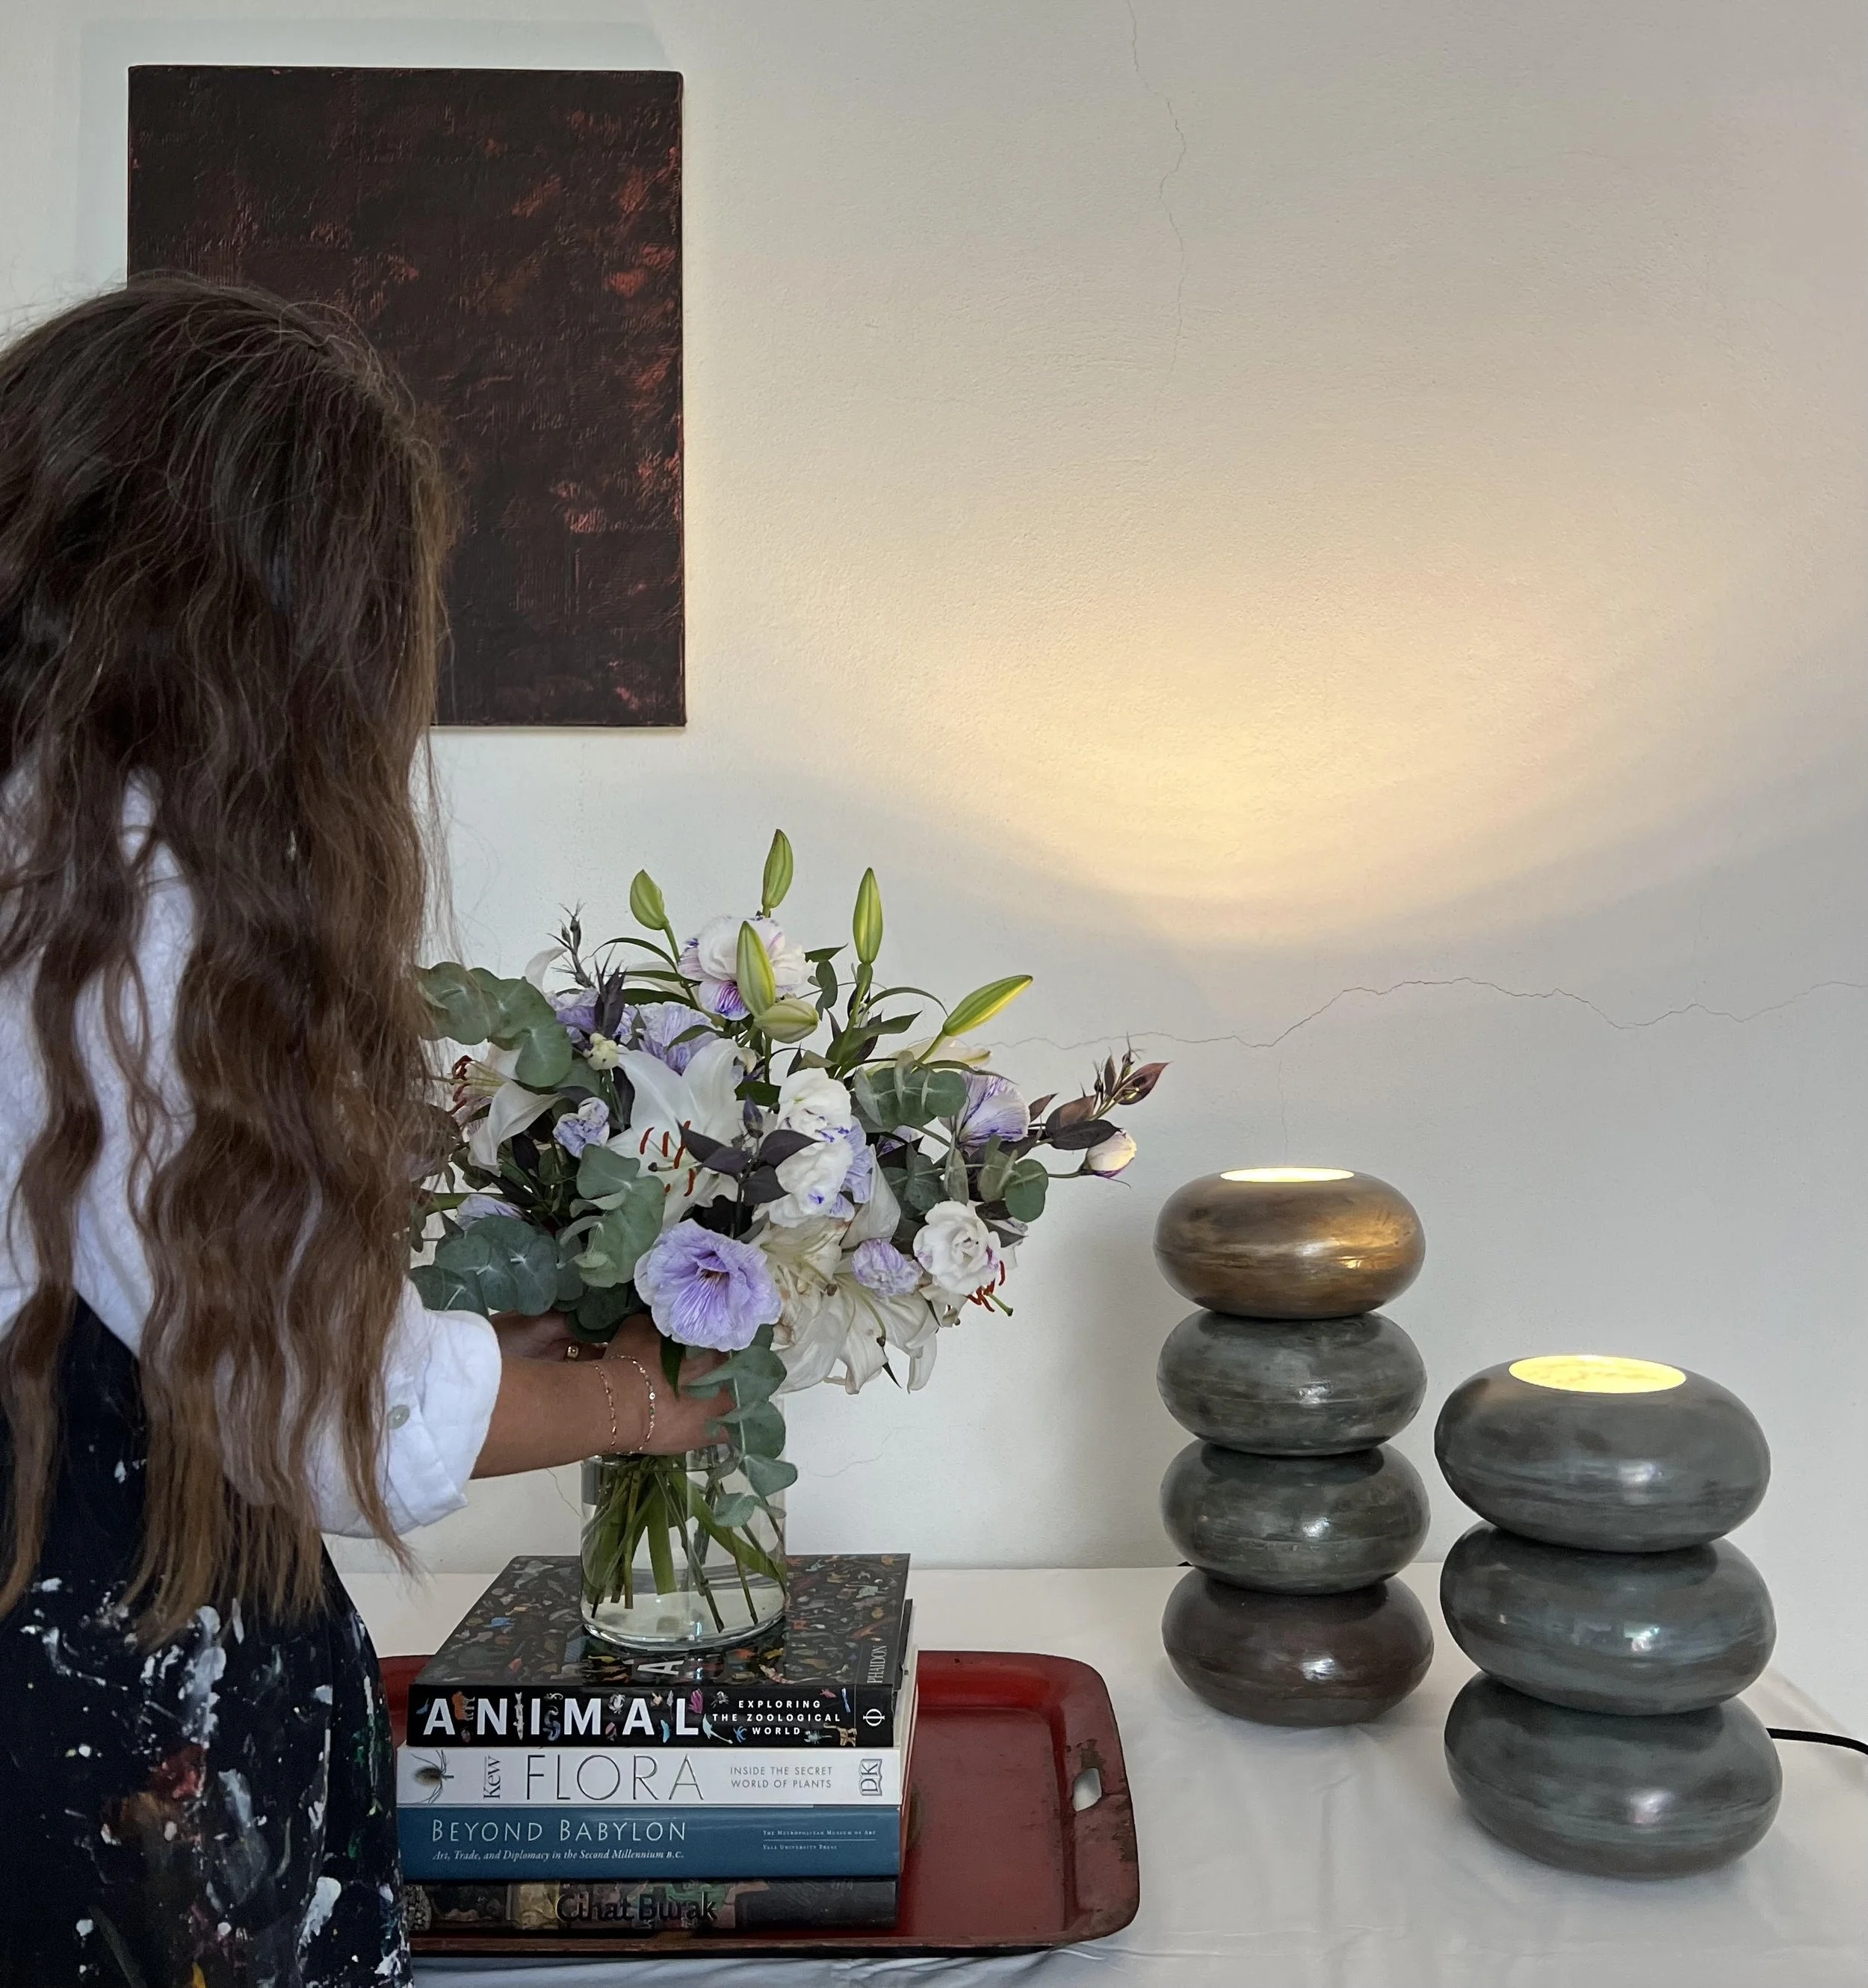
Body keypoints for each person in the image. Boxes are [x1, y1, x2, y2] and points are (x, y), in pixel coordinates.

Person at [0, 277, 721, 1987]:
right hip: (105, 1698)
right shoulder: (146, 916)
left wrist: (469, 1342)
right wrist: (638, 1400)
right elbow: (333, 1423)